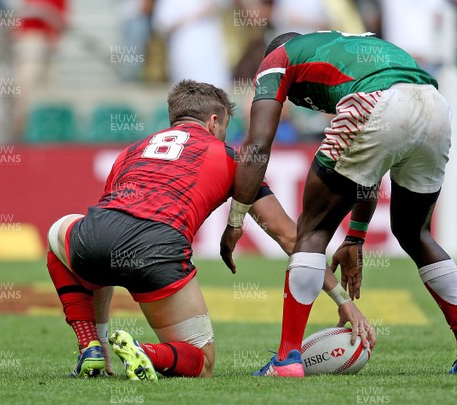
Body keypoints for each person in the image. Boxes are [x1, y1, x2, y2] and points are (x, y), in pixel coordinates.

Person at [46, 79, 368, 379]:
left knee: (60, 231)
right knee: (202, 361)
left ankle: (93, 344)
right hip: (157, 248)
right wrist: (343, 300)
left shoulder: (131, 151)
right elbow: (289, 236)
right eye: (226, 127)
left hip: (97, 231)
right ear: (214, 122)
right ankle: (146, 352)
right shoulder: (231, 157)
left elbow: (113, 221)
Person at [220, 30, 457, 377]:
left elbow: (258, 144)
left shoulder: (276, 59)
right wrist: (355, 237)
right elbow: (371, 164)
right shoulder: (349, 43)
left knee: (313, 231)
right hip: (434, 104)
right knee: (415, 233)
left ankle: (287, 359)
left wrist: (236, 220)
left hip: (377, 102)